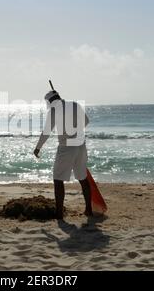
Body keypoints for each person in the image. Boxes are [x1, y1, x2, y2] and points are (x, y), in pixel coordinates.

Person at [33, 89, 92, 219]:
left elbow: (46, 132)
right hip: (81, 146)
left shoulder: (54, 112)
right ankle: (89, 209)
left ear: (51, 101)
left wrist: (38, 148)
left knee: (58, 180)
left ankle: (59, 214)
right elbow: (86, 121)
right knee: (83, 178)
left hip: (66, 148)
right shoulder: (75, 105)